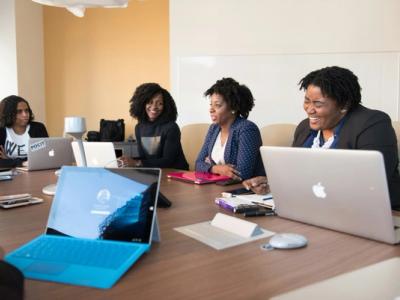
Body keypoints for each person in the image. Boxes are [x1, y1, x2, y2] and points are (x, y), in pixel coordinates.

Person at [243, 66, 400, 209]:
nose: (310, 110)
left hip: (369, 212)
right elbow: (297, 173)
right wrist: (273, 184)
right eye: (306, 101)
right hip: (313, 207)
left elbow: (369, 184)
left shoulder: (372, 124)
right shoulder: (305, 127)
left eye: (318, 104)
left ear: (344, 105)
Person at [195, 77, 265, 181]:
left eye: (217, 105)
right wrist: (217, 169)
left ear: (233, 108)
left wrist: (209, 166)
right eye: (211, 105)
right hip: (218, 186)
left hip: (245, 191)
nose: (211, 109)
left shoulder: (247, 129)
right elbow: (198, 164)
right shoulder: (213, 129)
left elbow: (242, 173)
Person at [120, 83, 189, 170]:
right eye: (150, 102)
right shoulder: (139, 127)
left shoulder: (171, 127)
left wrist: (136, 163)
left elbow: (167, 161)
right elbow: (145, 159)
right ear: (142, 104)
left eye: (159, 103)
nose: (154, 107)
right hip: (155, 173)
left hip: (175, 174)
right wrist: (128, 161)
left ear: (165, 106)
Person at [0, 95, 48, 162]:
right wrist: (23, 162)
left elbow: (44, 156)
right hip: (8, 172)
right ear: (8, 113)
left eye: (26, 110)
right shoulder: (1, 131)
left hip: (35, 171)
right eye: (19, 112)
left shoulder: (38, 128)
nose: (25, 114)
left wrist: (9, 160)